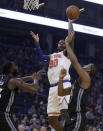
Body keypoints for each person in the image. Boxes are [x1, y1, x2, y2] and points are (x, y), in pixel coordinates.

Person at [30, 20, 74, 131]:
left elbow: (71, 37)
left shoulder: (67, 54)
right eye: (59, 42)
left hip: (63, 83)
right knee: (51, 119)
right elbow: (41, 56)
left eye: (63, 42)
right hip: (52, 87)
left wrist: (70, 23)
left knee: (64, 111)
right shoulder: (52, 55)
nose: (61, 43)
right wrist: (37, 44)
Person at [58, 31, 98, 131]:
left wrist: (67, 44)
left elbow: (74, 61)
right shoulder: (77, 82)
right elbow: (62, 92)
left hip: (78, 117)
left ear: (89, 69)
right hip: (70, 117)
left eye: (89, 64)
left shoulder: (86, 79)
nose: (86, 64)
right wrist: (61, 79)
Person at [0, 61, 43, 131]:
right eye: (15, 66)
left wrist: (31, 77)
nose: (17, 67)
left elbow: (19, 80)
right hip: (3, 116)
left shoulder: (3, 78)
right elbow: (34, 89)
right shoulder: (12, 81)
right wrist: (36, 79)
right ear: (11, 70)